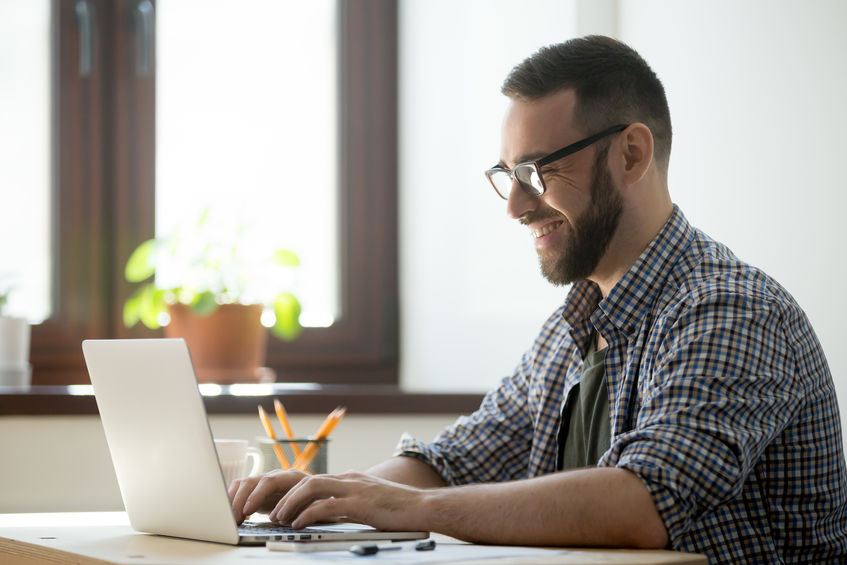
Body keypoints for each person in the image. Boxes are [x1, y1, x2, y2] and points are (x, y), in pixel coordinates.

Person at [230, 35, 847, 562]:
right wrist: (325, 496)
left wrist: (404, 506)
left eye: (538, 171)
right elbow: (454, 462)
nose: (515, 206)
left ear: (631, 153)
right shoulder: (571, 327)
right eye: (507, 175)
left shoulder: (730, 310)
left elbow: (645, 501)